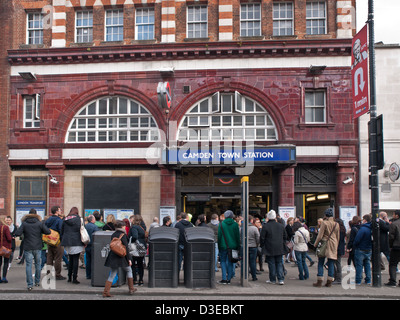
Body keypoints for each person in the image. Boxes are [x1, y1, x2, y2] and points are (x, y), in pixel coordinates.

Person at [15, 208, 51, 290]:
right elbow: (48, 232)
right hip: (38, 246)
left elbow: (17, 233)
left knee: (28, 265)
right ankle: (37, 282)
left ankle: (29, 285)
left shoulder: (24, 224)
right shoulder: (39, 223)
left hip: (28, 246)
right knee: (38, 264)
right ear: (36, 214)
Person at [103, 220, 136, 297]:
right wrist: (129, 259)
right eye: (124, 226)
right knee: (129, 270)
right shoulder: (123, 235)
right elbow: (126, 248)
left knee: (113, 273)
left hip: (113, 256)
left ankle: (106, 292)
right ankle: (131, 288)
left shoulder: (113, 234)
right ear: (122, 227)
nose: (125, 227)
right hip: (122, 256)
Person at [313, 208, 339, 288]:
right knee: (331, 263)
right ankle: (329, 281)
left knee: (321, 262)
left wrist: (315, 244)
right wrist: (336, 245)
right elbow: (338, 236)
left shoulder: (324, 223)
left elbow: (320, 235)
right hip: (333, 244)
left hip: (325, 243)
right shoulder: (336, 224)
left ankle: (319, 281)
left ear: (326, 215)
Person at [260, 210, 287, 285]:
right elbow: (285, 236)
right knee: (279, 263)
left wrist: (262, 245)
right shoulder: (281, 226)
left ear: (268, 217)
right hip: (279, 247)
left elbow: (262, 238)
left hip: (269, 247)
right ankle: (281, 279)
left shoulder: (265, 226)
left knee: (271, 263)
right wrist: (282, 243)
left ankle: (272, 279)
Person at [61, 207, 85, 284]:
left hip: (68, 241)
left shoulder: (65, 219)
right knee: (75, 260)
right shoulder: (79, 219)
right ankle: (74, 278)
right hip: (77, 240)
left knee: (70, 259)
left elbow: (62, 231)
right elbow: (82, 229)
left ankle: (69, 277)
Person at [217, 210, 240, 284]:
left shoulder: (221, 224)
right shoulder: (235, 224)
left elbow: (219, 236)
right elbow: (237, 236)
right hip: (233, 246)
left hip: (223, 246)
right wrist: (238, 246)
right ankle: (229, 278)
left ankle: (224, 278)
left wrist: (219, 246)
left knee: (223, 262)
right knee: (230, 262)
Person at [45, 205, 66, 280]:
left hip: (49, 241)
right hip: (57, 241)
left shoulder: (48, 220)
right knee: (58, 258)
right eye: (60, 210)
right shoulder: (59, 220)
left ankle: (49, 273)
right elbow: (61, 230)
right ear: (56, 211)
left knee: (49, 257)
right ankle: (58, 274)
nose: (61, 211)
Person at [353, 214, 372, 285]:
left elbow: (357, 239)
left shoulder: (363, 228)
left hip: (360, 248)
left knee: (359, 265)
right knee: (367, 265)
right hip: (369, 249)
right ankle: (368, 280)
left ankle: (358, 280)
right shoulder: (371, 228)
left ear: (365, 220)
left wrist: (355, 245)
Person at [128, 215, 147, 286]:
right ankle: (141, 280)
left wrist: (131, 241)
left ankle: (135, 280)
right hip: (142, 247)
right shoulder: (142, 227)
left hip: (135, 247)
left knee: (133, 264)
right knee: (140, 264)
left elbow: (135, 236)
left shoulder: (134, 227)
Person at [385, 210, 400, 287]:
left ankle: (392, 281)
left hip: (396, 247)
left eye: (393, 214)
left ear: (397, 215)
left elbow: (391, 237)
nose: (393, 216)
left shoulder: (394, 224)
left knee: (393, 264)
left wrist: (390, 246)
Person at [84, 214, 99, 280]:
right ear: (92, 220)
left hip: (87, 245)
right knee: (94, 261)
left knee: (88, 261)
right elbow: (97, 236)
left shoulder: (85, 226)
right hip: (93, 245)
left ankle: (88, 274)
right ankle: (93, 274)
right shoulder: (95, 227)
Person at [248, 215, 260, 281]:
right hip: (253, 246)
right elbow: (258, 237)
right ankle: (254, 276)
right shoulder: (254, 228)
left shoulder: (242, 228)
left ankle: (245, 275)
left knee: (244, 262)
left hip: (245, 247)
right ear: (251, 220)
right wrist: (257, 244)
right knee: (253, 262)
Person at [0, 218, 12, 283]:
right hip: (5, 247)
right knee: (6, 262)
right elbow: (9, 238)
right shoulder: (5, 227)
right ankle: (4, 277)